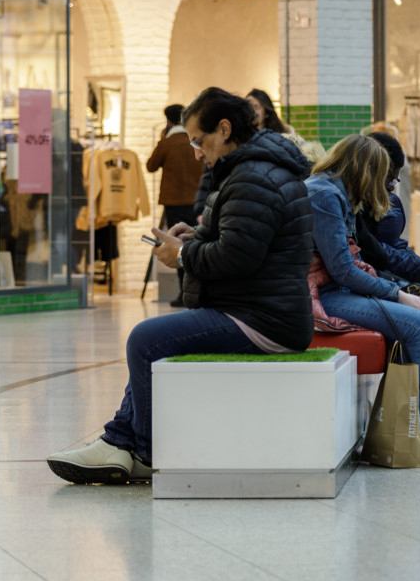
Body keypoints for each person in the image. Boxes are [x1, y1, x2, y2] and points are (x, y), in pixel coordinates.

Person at [46, 88, 315, 484]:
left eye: (198, 141)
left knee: (145, 340)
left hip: (264, 320)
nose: (195, 152)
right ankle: (119, 440)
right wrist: (196, 236)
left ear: (224, 129)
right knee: (156, 339)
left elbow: (238, 258)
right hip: (261, 308)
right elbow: (241, 241)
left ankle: (142, 450)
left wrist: (184, 256)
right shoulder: (254, 169)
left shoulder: (254, 177)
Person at [306, 135, 420, 462]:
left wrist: (401, 290)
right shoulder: (324, 196)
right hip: (323, 297)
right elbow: (343, 270)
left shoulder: (332, 192)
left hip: (334, 289)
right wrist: (398, 295)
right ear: (365, 171)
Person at [146, 104, 205, 231]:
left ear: (168, 121)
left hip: (173, 201)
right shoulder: (196, 142)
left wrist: (161, 140)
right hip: (196, 198)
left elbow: (151, 166)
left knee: (176, 238)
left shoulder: (166, 143)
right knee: (195, 236)